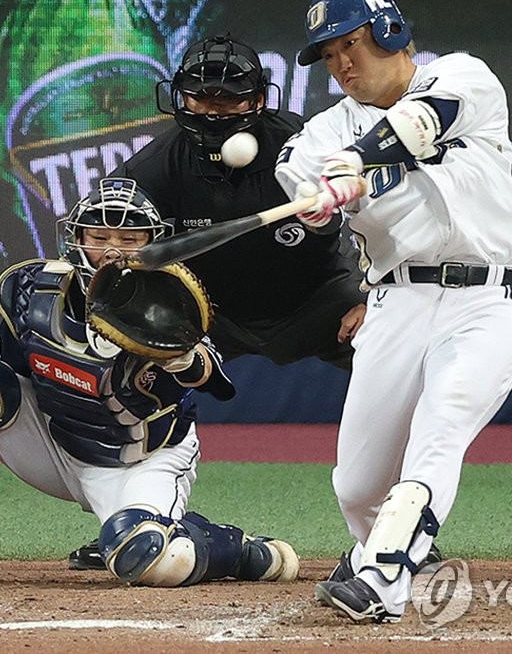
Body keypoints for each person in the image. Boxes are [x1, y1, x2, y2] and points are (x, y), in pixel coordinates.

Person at [0, 177, 299, 589]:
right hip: (55, 441)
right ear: (76, 239)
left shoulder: (165, 306)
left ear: (153, 244)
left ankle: (238, 552)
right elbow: (1, 379)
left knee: (150, 560)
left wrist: (178, 353)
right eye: (99, 237)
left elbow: (206, 376)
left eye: (129, 239)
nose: (111, 250)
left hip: (137, 459)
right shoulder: (34, 291)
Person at [274, 0, 512, 623]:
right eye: (328, 54)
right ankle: (382, 544)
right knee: (358, 486)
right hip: (396, 303)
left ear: (389, 34)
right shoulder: (319, 136)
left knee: (442, 424)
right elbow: (304, 182)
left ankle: (384, 580)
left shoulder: (465, 77)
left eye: (351, 44)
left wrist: (357, 166)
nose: (342, 64)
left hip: (489, 299)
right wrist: (320, 202)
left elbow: (417, 126)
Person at [65, 34, 368, 570]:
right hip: (205, 315)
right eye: (202, 98)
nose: (214, 110)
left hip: (319, 301)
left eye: (229, 99)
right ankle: (134, 521)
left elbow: (382, 215)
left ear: (258, 100)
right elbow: (99, 238)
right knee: (118, 372)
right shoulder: (156, 168)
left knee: (391, 355)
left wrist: (373, 296)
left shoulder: (304, 144)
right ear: (179, 98)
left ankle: (398, 530)